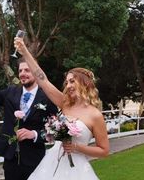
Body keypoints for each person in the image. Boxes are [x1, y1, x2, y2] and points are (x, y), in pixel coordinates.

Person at [14, 38, 109, 180]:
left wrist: (76, 148)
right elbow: (42, 79)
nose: (68, 85)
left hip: (76, 170)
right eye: (67, 82)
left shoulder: (95, 115)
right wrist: (25, 52)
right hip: (51, 165)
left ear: (85, 84)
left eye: (72, 81)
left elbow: (104, 150)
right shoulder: (64, 104)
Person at [0, 46, 58, 180]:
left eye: (27, 70)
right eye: (20, 70)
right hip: (11, 158)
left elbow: (55, 131)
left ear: (37, 72)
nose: (23, 73)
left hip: (35, 160)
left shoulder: (48, 97)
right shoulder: (10, 93)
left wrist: (34, 134)